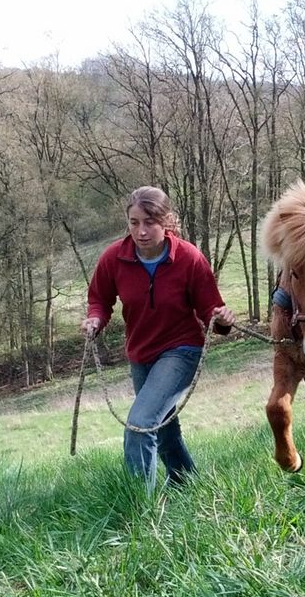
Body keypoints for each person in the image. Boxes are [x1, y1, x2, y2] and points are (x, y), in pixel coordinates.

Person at [81, 186, 236, 492]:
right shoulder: (114, 258)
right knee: (162, 428)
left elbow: (210, 309)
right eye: (134, 222)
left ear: (166, 221)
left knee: (141, 424)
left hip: (182, 350)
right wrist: (95, 320)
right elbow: (99, 299)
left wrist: (221, 322)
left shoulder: (189, 258)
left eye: (149, 222)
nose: (141, 231)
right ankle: (187, 485)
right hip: (141, 354)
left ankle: (139, 505)